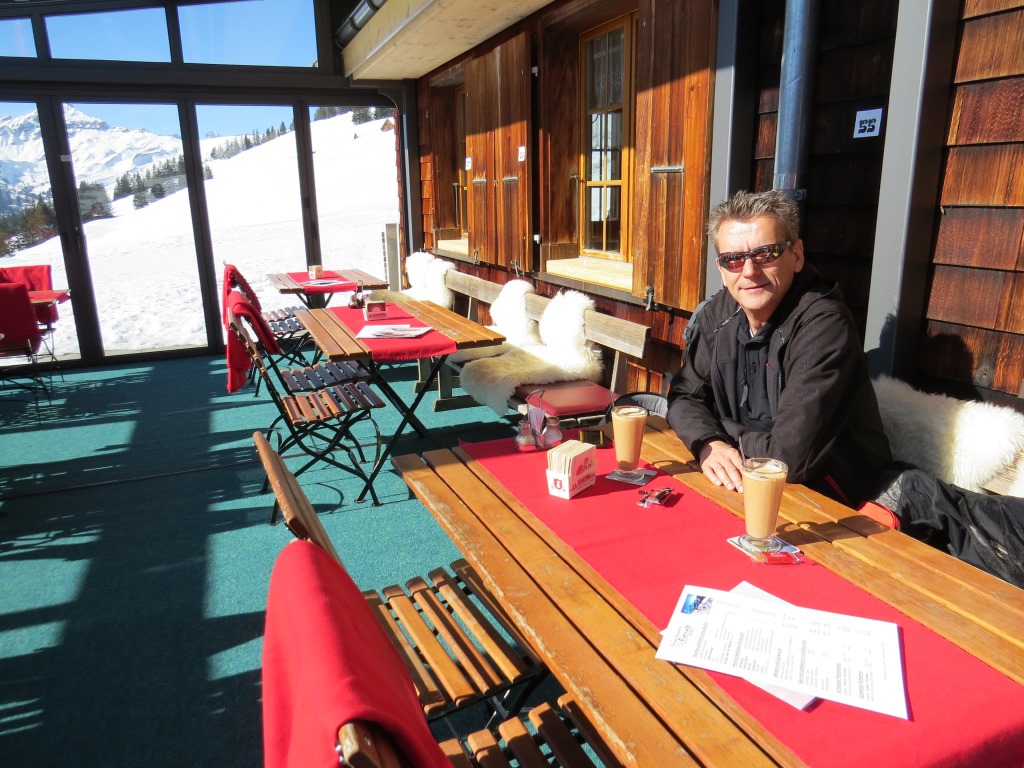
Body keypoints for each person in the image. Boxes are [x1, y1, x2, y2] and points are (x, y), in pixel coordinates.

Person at [668, 189, 1024, 588]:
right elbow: (683, 396)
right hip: (750, 496)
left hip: (840, 510)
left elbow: (787, 458)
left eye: (765, 253)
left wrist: (720, 433)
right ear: (721, 268)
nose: (748, 271)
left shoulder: (823, 326)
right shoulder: (720, 313)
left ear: (796, 255)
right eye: (733, 259)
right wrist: (708, 442)